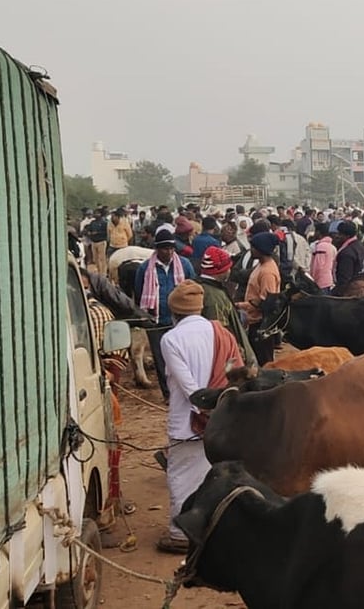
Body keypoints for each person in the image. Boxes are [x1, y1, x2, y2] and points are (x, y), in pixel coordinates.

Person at [156, 280, 243, 554]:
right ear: (199, 307)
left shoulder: (170, 339)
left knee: (181, 475)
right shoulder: (221, 333)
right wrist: (219, 412)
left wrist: (203, 411)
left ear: (174, 311)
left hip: (188, 420)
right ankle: (211, 527)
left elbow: (189, 387)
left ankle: (180, 534)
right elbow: (234, 374)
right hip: (221, 419)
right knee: (211, 474)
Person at [134, 230, 197, 401]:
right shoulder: (145, 268)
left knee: (183, 357)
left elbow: (193, 288)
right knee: (161, 359)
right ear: (157, 249)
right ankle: (168, 394)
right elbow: (139, 293)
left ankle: (186, 391)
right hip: (157, 321)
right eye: (164, 249)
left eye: (171, 248)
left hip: (182, 320)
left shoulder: (184, 265)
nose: (168, 252)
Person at [197, 247, 256, 368]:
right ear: (220, 271)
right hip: (224, 361)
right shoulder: (215, 297)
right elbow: (222, 333)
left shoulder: (202, 287)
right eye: (228, 267)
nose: (230, 270)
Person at [237, 232, 282, 367]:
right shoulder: (261, 265)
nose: (251, 250)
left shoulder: (267, 272)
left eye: (253, 247)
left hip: (260, 325)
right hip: (254, 321)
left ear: (261, 250)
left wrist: (240, 305)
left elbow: (266, 303)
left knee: (264, 364)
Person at [331, 221, 364, 297]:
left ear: (347, 236)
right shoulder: (361, 246)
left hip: (352, 287)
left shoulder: (347, 252)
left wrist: (335, 293)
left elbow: (345, 277)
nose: (337, 236)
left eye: (340, 234)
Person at [309, 223, 336, 294]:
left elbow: (318, 266)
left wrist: (313, 281)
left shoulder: (321, 246)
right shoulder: (332, 247)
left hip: (320, 282)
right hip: (329, 281)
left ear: (318, 232)